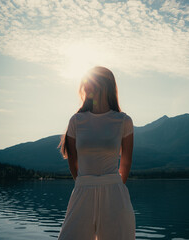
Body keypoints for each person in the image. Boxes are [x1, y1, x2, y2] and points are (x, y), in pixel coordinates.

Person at [57, 66, 136, 240]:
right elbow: (73, 161)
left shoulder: (123, 121)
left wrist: (114, 185)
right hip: (83, 189)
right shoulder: (76, 121)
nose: (86, 86)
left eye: (91, 82)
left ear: (105, 85)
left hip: (114, 192)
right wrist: (85, 183)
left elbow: (126, 162)